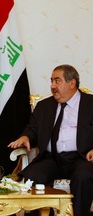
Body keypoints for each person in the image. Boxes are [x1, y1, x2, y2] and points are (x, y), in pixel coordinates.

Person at [8, 64, 93, 216]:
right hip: (52, 158)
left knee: (84, 176)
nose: (52, 86)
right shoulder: (44, 106)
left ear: (72, 83)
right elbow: (32, 129)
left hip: (82, 157)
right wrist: (26, 137)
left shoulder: (90, 104)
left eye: (57, 81)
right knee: (32, 175)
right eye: (51, 81)